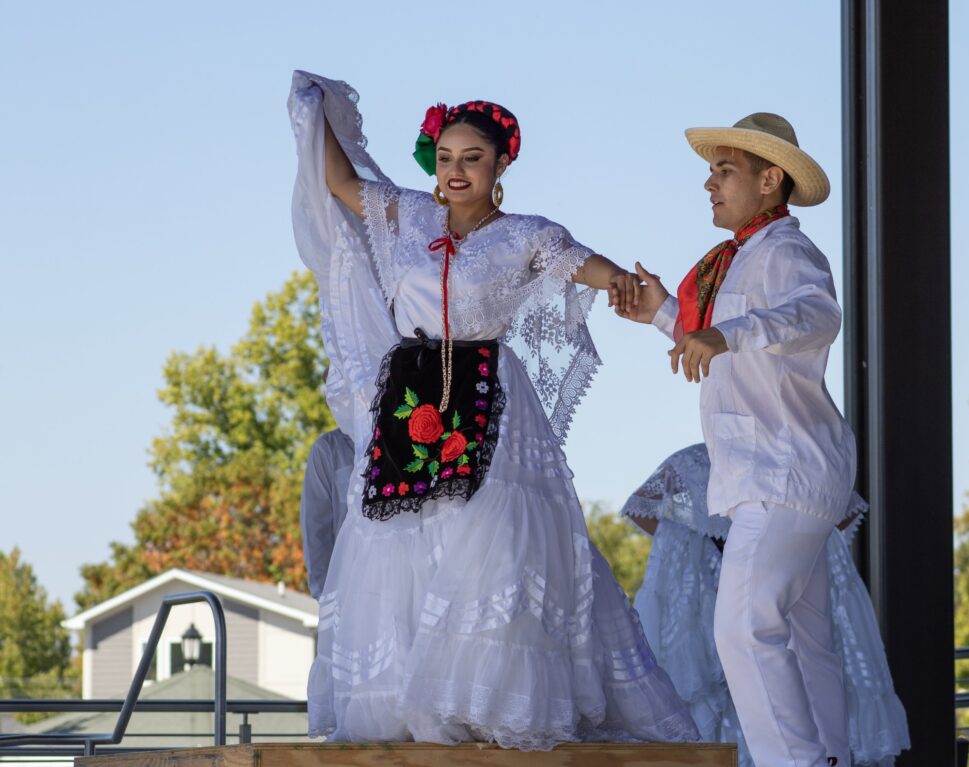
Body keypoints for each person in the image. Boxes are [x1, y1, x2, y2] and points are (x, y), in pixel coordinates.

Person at [287, 71, 698, 750]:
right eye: (445, 158)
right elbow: (338, 181)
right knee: (405, 541)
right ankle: (410, 698)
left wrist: (636, 291)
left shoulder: (528, 235)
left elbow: (588, 267)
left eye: (471, 158)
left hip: (487, 396)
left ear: (501, 163)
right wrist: (312, 107)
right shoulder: (408, 215)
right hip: (414, 394)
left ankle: (485, 699)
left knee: (494, 544)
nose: (454, 171)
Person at [617, 113, 857, 766]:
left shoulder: (787, 251)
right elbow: (725, 336)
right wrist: (664, 313)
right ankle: (829, 755)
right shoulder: (740, 260)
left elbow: (817, 314)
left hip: (782, 473)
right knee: (803, 641)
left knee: (745, 627)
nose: (709, 184)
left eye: (724, 170)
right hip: (779, 472)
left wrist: (725, 333)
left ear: (770, 179)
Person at [622, 443, 910, 767]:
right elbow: (844, 507)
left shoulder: (691, 463)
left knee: (773, 671)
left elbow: (639, 507)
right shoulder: (771, 456)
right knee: (780, 669)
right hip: (737, 588)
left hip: (743, 591)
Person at [300, 426, 355, 600]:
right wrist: (327, 599)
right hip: (349, 594)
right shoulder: (328, 449)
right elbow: (316, 531)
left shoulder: (405, 441)